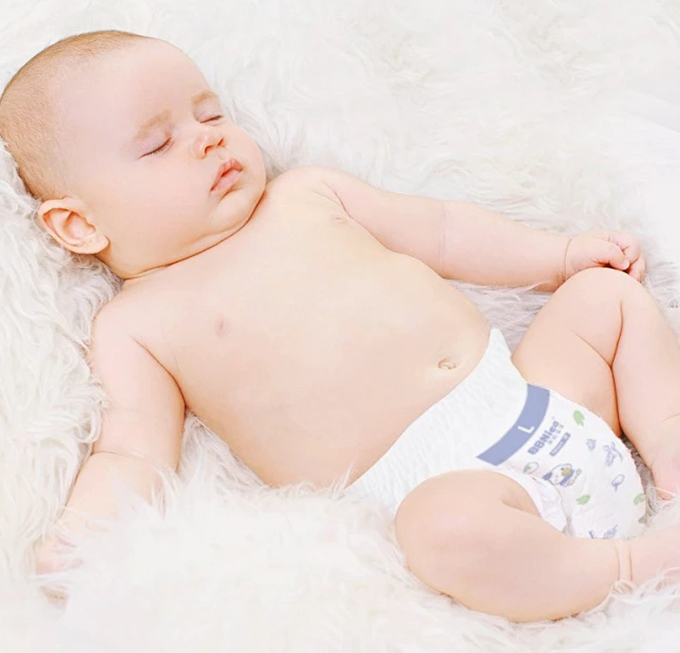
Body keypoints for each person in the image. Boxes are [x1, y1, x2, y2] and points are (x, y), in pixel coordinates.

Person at [1, 29, 678, 623]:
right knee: (440, 530)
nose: (208, 137)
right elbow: (132, 451)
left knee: (605, 299)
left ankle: (671, 448)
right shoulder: (136, 325)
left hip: (535, 400)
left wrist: (557, 257)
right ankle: (634, 565)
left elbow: (442, 232)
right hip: (460, 494)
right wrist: (83, 535)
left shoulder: (306, 194)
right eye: (157, 144)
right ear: (78, 224)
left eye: (210, 113)